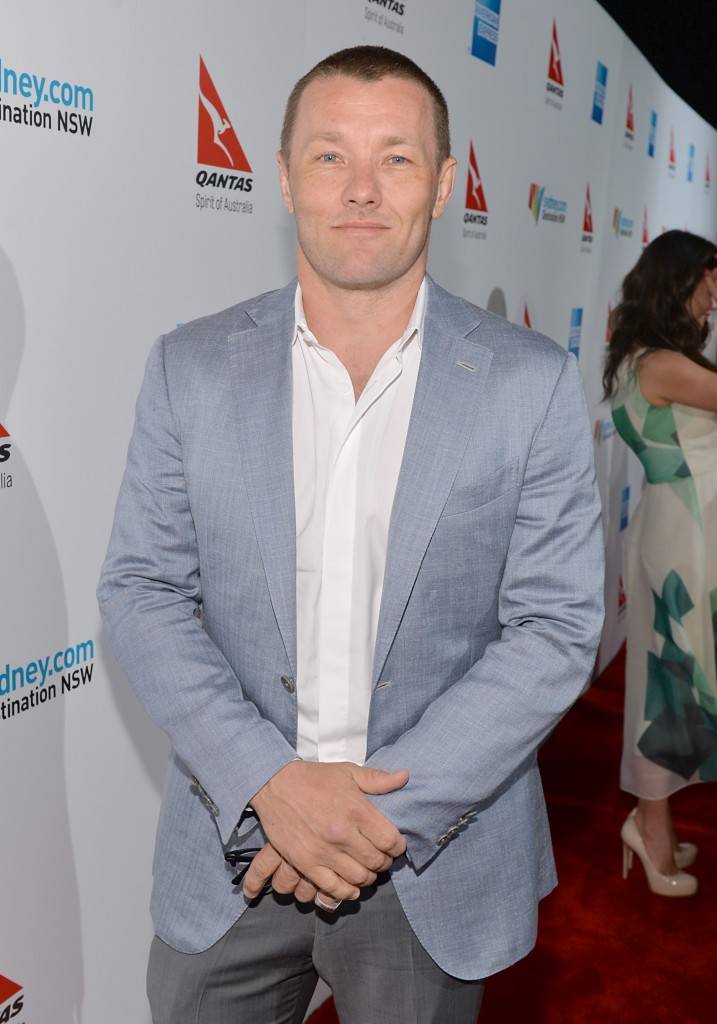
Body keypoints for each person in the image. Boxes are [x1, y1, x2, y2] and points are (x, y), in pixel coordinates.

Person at [98, 45, 604, 1023]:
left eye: (396, 158)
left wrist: (365, 818)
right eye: (330, 155)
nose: (361, 188)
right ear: (284, 177)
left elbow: (554, 628)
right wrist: (269, 784)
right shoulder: (187, 368)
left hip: (431, 866)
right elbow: (141, 591)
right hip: (232, 854)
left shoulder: (528, 383)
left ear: (444, 184)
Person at [604, 230, 717, 897]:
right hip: (686, 538)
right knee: (669, 687)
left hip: (679, 529)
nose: (714, 295)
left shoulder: (644, 357)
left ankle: (652, 826)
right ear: (680, 281)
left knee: (668, 683)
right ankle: (649, 831)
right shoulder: (662, 365)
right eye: (709, 278)